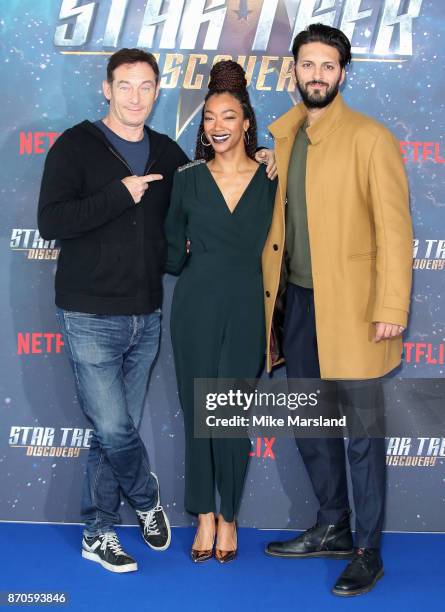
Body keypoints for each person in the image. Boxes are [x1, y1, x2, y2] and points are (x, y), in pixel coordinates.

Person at [38, 48, 276, 573]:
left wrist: (266, 155)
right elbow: (52, 221)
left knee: (130, 429)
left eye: (146, 86)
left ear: (157, 91)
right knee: (115, 426)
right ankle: (153, 501)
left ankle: (107, 529)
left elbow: (200, 215)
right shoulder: (76, 146)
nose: (135, 96)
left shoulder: (173, 157)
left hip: (149, 315)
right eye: (125, 85)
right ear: (107, 88)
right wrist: (119, 195)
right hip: (91, 312)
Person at [262, 24, 413, 596]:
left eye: (328, 66)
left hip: (354, 307)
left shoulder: (371, 138)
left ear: (342, 74)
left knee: (362, 435)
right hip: (296, 303)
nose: (317, 75)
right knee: (309, 422)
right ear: (294, 71)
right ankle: (332, 525)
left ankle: (368, 549)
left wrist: (391, 304)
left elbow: (396, 233)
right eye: (308, 65)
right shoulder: (286, 138)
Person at [165, 60, 277, 563]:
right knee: (196, 414)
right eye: (209, 118)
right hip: (195, 305)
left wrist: (278, 156)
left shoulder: (272, 177)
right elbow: (170, 252)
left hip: (248, 305)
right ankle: (203, 517)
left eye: (228, 117)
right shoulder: (187, 179)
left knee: (229, 413)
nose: (217, 127)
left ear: (246, 121)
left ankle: (229, 516)